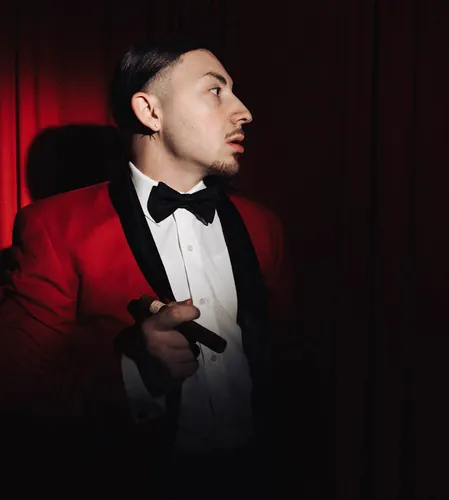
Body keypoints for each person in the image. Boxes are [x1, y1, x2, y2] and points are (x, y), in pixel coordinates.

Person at [0, 36, 296, 499]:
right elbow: (16, 396)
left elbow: (292, 368)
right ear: (150, 111)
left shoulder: (264, 227)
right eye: (215, 90)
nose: (244, 112)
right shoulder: (54, 229)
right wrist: (134, 374)